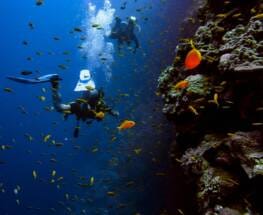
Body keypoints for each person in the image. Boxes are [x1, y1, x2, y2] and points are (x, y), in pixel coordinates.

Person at [7, 70, 119, 137]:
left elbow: (105, 108)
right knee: (61, 108)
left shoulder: (97, 104)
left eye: (89, 92)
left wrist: (111, 112)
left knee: (62, 108)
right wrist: (55, 89)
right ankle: (54, 84)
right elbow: (60, 107)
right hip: (80, 108)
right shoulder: (80, 105)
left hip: (82, 110)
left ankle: (54, 85)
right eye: (86, 92)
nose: (88, 94)